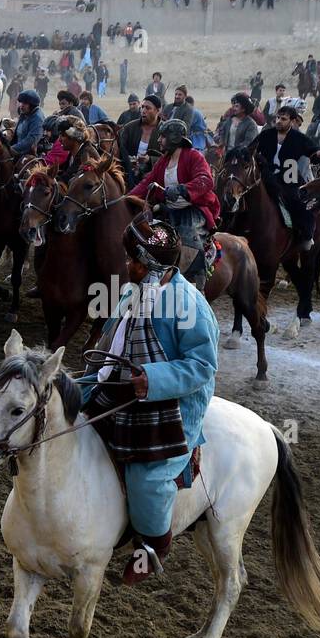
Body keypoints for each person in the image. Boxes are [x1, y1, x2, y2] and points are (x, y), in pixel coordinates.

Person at [78, 215, 219, 584]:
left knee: (147, 477)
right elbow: (115, 337)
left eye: (134, 260)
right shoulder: (132, 290)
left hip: (170, 404)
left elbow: (203, 365)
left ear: (153, 264)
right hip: (122, 384)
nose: (128, 266)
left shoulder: (189, 304)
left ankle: (154, 546)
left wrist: (151, 380)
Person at [127, 119, 220, 288]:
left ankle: (197, 284)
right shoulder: (163, 161)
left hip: (193, 210)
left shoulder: (194, 156)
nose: (159, 140)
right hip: (169, 211)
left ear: (174, 138)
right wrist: (126, 198)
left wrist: (182, 189)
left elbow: (206, 180)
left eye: (162, 137)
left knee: (187, 239)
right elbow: (146, 182)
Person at [253, 99, 320, 250]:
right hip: (266, 176)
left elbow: (314, 152)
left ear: (292, 121)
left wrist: (319, 154)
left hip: (289, 178)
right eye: (278, 118)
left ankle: (306, 236)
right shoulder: (266, 135)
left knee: (299, 203)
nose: (279, 121)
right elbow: (250, 149)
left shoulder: (299, 138)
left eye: (283, 119)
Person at [118, 94, 163, 186]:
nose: (143, 111)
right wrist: (129, 161)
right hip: (128, 175)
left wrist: (150, 160)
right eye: (142, 107)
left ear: (158, 111)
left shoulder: (165, 131)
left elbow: (171, 159)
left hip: (155, 178)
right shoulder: (129, 128)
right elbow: (120, 149)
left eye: (148, 108)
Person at [11, 89, 45, 157]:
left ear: (32, 105)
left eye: (25, 103)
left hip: (28, 155)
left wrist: (11, 149)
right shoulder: (24, 114)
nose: (21, 105)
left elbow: (30, 141)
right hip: (17, 151)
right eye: (21, 102)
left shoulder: (37, 119)